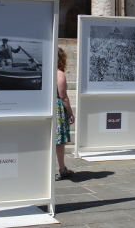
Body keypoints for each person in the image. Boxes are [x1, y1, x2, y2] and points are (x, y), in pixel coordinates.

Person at [55, 47, 75, 180]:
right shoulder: (59, 73)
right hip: (56, 108)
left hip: (44, 105)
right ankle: (62, 168)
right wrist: (71, 113)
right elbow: (63, 96)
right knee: (59, 142)